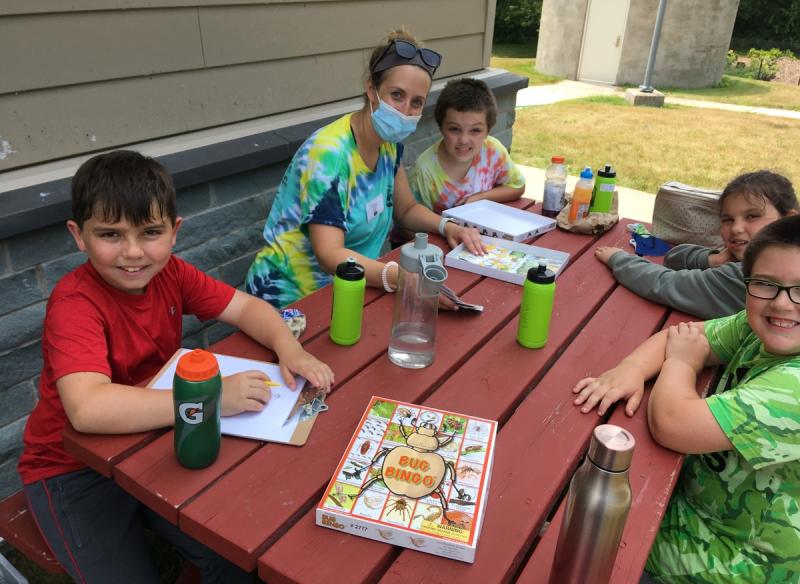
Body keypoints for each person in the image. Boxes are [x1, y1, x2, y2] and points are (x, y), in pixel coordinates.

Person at [17, 150, 334, 583]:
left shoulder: (172, 274)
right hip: (71, 470)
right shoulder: (75, 304)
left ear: (174, 231)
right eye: (110, 234)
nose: (132, 253)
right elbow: (87, 409)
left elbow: (245, 308)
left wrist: (288, 349)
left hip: (154, 436)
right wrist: (212, 399)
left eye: (150, 232)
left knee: (236, 557)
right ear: (79, 235)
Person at [573, 215, 800, 582]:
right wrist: (631, 368)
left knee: (576, 533)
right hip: (691, 506)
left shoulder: (794, 388)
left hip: (729, 562)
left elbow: (673, 423)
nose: (783, 303)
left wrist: (681, 362)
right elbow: (680, 336)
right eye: (766, 284)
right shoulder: (758, 325)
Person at [245, 29, 484, 309]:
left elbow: (405, 210)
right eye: (397, 95)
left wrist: (447, 226)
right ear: (372, 90)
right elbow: (328, 253)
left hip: (349, 291)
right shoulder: (329, 155)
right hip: (290, 300)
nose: (405, 111)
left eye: (416, 102)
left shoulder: (388, 144)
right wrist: (399, 278)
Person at [594, 170, 798, 319]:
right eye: (727, 219)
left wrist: (617, 258)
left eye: (752, 216)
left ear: (788, 220)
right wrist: (715, 259)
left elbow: (665, 284)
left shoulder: (754, 275)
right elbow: (674, 257)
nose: (736, 228)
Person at [408, 77, 525, 213]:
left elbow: (517, 186)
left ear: (488, 130)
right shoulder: (423, 172)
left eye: (475, 130)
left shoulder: (493, 151)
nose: (463, 140)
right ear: (441, 127)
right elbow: (409, 223)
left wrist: (480, 198)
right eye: (454, 129)